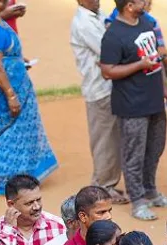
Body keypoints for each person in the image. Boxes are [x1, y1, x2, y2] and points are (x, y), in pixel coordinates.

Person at [0, 0, 58, 195]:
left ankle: (20, 176)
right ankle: (8, 181)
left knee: (12, 133)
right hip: (3, 93)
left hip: (5, 87)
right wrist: (11, 95)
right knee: (7, 134)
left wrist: (17, 59)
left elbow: (0, 56)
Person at [101, 0, 167, 221]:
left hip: (154, 100)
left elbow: (156, 59)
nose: (147, 2)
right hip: (132, 105)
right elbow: (107, 71)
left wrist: (165, 87)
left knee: (155, 148)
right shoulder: (113, 34)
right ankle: (138, 201)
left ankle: (151, 191)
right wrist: (138, 65)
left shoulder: (145, 22)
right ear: (129, 5)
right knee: (134, 154)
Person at [70, 0, 125, 202]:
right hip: (99, 90)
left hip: (108, 87)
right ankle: (102, 186)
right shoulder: (83, 23)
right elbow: (108, 49)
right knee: (104, 140)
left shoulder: (99, 15)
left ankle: (108, 183)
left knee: (113, 138)